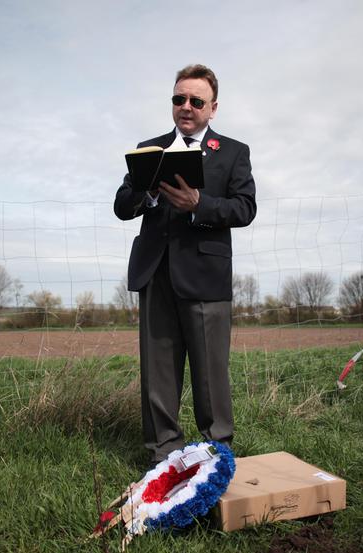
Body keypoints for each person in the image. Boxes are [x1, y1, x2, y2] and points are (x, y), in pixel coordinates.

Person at [113, 64, 257, 467]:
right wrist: (148, 193)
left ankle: (215, 453)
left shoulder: (232, 152)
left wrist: (200, 205)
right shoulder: (148, 148)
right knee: (158, 372)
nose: (186, 107)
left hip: (206, 277)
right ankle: (164, 454)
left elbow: (245, 207)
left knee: (211, 373)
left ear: (213, 108)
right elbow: (122, 205)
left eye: (196, 100)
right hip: (155, 272)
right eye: (179, 99)